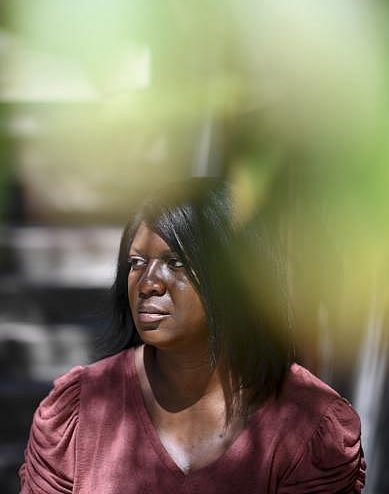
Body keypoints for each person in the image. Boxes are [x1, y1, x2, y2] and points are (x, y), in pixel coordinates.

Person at [19, 178, 366, 493]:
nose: (148, 283)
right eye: (136, 262)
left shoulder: (308, 425)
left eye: (176, 263)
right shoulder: (78, 412)